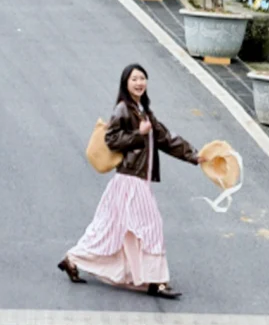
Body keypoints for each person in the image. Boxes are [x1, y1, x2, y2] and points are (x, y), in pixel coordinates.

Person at [59, 64, 199, 299]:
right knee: (151, 228)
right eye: (134, 79)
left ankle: (72, 259)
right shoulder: (123, 109)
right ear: (126, 83)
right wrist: (139, 135)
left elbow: (166, 139)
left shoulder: (143, 110)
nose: (139, 83)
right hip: (130, 181)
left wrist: (196, 156)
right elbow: (112, 139)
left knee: (109, 230)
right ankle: (157, 282)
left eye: (142, 78)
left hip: (137, 181)